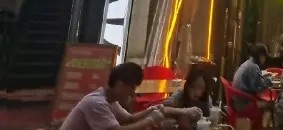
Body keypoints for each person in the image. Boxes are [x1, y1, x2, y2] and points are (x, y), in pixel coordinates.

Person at [59, 62, 202, 130]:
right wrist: (150, 120)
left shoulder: (110, 100)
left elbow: (129, 118)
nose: (133, 93)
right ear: (120, 85)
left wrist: (149, 110)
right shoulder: (96, 102)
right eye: (132, 88)